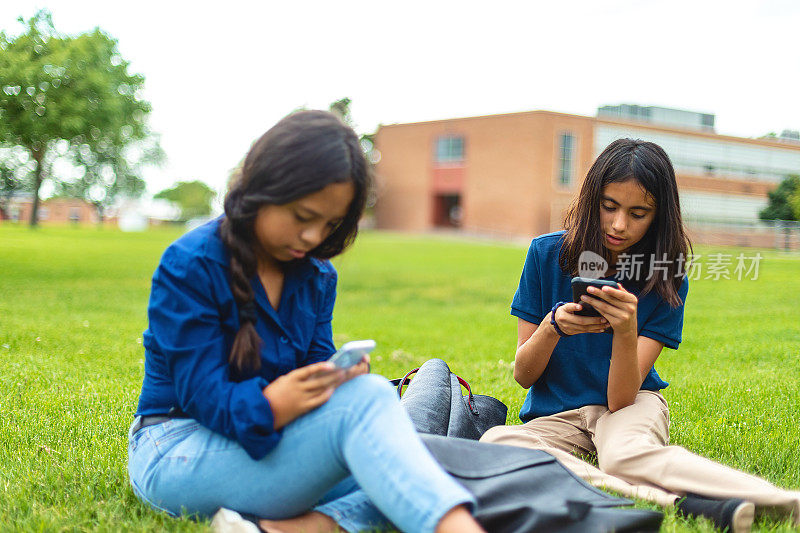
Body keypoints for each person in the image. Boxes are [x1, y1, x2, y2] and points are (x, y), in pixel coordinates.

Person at [127, 110, 483, 533]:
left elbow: (316, 366)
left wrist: (336, 378)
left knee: (414, 465)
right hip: (176, 447)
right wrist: (274, 405)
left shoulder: (316, 275)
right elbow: (204, 399)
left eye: (330, 224)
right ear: (263, 189)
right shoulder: (190, 265)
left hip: (274, 444)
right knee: (394, 455)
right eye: (302, 216)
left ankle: (300, 528)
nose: (314, 238)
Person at [480, 139, 800, 532]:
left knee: (622, 456)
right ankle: (674, 503)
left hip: (631, 405)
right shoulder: (546, 254)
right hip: (557, 414)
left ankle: (788, 503)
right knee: (499, 442)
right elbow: (524, 376)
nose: (619, 225)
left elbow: (620, 399)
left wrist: (626, 331)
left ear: (658, 215)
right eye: (609, 206)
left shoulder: (668, 274)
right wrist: (553, 326)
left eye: (638, 213)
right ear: (590, 199)